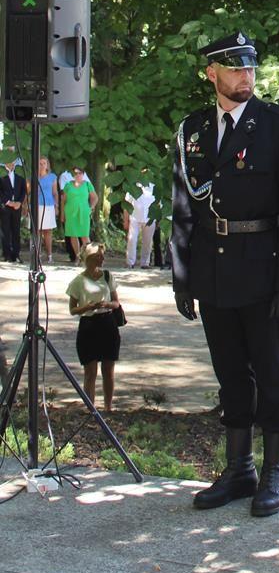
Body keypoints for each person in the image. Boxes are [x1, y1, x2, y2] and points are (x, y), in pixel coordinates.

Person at [171, 31, 279, 518]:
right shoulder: (193, 130)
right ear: (212, 73)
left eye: (250, 67)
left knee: (271, 373)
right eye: (234, 69)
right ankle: (239, 468)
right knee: (230, 371)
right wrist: (182, 274)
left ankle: (275, 470)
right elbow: (183, 209)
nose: (245, 77)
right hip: (212, 268)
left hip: (263, 269)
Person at [66, 243, 122, 411]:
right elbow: (72, 309)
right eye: (98, 256)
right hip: (88, 326)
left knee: (108, 369)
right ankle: (90, 408)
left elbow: (116, 302)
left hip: (108, 323)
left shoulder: (107, 276)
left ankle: (108, 407)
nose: (102, 259)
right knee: (90, 371)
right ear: (88, 259)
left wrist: (107, 304)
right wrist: (88, 307)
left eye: (102, 256)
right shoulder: (78, 281)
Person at [61, 167, 98, 259]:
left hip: (84, 212)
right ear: (72, 175)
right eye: (75, 173)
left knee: (85, 235)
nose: (77, 175)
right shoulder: (68, 185)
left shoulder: (87, 185)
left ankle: (89, 258)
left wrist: (92, 207)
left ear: (83, 174)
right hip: (70, 212)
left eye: (80, 173)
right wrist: (62, 214)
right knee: (73, 235)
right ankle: (78, 257)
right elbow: (63, 201)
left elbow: (95, 197)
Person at [124, 176, 157, 269]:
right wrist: (125, 220)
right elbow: (126, 205)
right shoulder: (133, 186)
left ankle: (145, 263)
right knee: (131, 240)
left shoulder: (154, 187)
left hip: (150, 218)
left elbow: (159, 205)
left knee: (148, 242)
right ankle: (130, 262)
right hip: (134, 218)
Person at [0, 156, 26, 263]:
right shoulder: (2, 178)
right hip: (5, 208)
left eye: (12, 163)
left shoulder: (20, 179)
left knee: (16, 230)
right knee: (5, 231)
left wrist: (19, 202)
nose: (10, 165)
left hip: (16, 208)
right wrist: (8, 202)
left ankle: (16, 254)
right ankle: (7, 254)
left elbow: (23, 192)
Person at [35, 156, 59, 263]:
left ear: (47, 165)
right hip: (37, 205)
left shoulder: (52, 177)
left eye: (44, 163)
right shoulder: (34, 177)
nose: (42, 165)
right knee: (37, 231)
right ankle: (37, 255)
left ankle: (49, 256)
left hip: (49, 206)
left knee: (48, 231)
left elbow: (55, 192)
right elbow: (29, 191)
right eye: (40, 163)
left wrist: (57, 206)